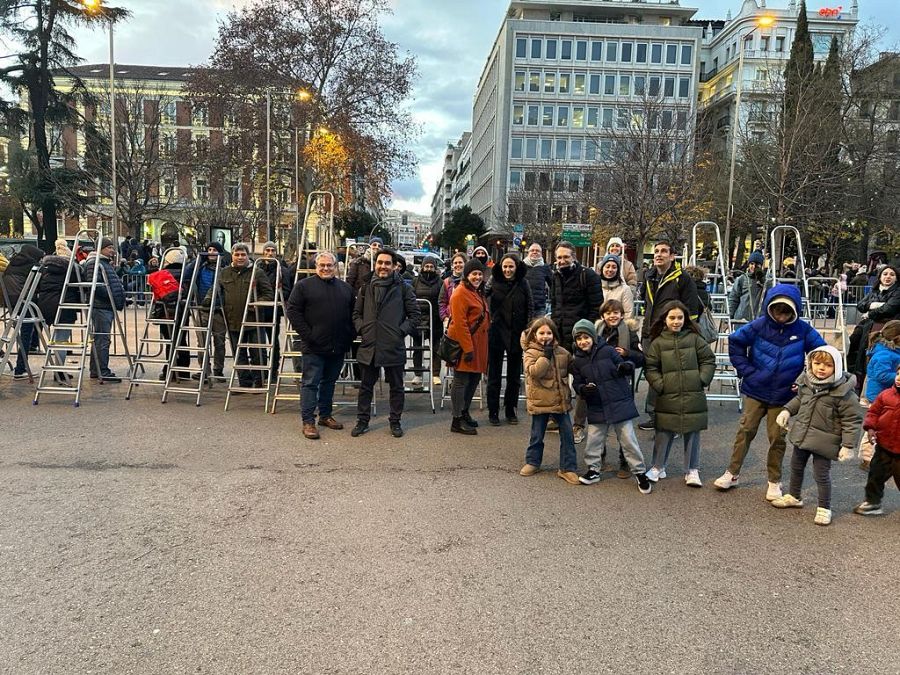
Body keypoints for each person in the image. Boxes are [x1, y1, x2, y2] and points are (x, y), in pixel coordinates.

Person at [714, 284, 827, 500]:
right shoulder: (759, 325)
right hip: (756, 388)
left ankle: (774, 481)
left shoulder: (803, 330)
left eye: (786, 312)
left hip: (784, 394)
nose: (781, 316)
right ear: (770, 307)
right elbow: (735, 342)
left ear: (795, 310)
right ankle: (732, 472)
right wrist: (747, 371)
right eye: (777, 311)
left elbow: (822, 353)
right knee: (745, 430)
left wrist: (805, 380)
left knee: (777, 437)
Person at [772, 346, 862, 526]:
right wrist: (787, 411)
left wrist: (848, 445)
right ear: (810, 363)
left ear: (836, 367)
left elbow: (852, 420)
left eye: (828, 365)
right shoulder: (807, 383)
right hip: (802, 436)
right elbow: (799, 400)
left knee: (821, 475)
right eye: (817, 363)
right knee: (796, 467)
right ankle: (794, 496)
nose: (821, 368)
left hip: (825, 442)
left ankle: (824, 507)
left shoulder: (843, 393)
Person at [570, 319, 652, 494]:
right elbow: (576, 383)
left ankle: (639, 472)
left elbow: (626, 364)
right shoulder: (577, 361)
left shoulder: (608, 350)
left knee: (628, 440)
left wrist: (625, 367)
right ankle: (593, 470)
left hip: (618, 401)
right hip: (597, 404)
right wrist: (582, 389)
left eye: (586, 337)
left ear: (593, 336)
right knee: (594, 441)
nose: (583, 341)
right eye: (579, 339)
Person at [644, 300, 717, 487]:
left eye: (680, 317)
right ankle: (658, 466)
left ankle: (692, 470)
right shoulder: (658, 343)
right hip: (667, 394)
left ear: (685, 319)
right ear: (665, 319)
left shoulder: (694, 339)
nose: (676, 321)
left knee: (692, 431)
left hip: (693, 392)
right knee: (664, 431)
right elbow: (651, 368)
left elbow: (708, 359)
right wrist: (661, 385)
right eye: (672, 318)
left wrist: (701, 380)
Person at [285, 251, 356, 440]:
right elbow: (293, 311)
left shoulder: (345, 288)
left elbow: (353, 314)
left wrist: (349, 336)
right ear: (316, 267)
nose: (326, 268)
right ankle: (308, 421)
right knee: (310, 384)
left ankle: (325, 415)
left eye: (329, 265)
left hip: (338, 345)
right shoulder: (303, 286)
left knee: (329, 382)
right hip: (313, 346)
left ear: (335, 267)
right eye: (322, 265)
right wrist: (308, 335)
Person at [351, 248, 420, 438]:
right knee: (366, 387)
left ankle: (395, 421)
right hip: (370, 345)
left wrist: (399, 331)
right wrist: (363, 329)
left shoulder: (404, 288)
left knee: (396, 387)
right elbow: (356, 314)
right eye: (380, 262)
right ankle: (362, 421)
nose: (383, 266)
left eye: (387, 263)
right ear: (375, 264)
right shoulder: (365, 287)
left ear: (394, 266)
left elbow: (415, 316)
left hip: (392, 345)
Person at [637, 240, 700, 430]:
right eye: (656, 251)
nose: (659, 254)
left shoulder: (683, 278)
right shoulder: (649, 276)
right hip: (650, 335)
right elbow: (647, 306)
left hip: (671, 336)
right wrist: (644, 332)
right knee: (653, 375)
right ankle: (654, 415)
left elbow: (691, 312)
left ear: (672, 256)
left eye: (664, 251)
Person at [549, 241, 603, 443]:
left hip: (581, 338)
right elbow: (555, 305)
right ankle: (558, 417)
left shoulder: (588, 276)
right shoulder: (555, 276)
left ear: (574, 257)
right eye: (559, 257)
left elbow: (596, 307)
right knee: (559, 379)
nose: (562, 260)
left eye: (566, 257)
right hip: (560, 337)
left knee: (583, 383)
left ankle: (578, 425)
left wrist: (585, 333)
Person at [204, 243, 274, 389]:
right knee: (238, 353)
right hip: (233, 320)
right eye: (237, 255)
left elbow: (269, 294)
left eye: (243, 255)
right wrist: (208, 299)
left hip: (254, 321)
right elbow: (215, 288)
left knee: (257, 352)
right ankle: (244, 383)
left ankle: (259, 381)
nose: (240, 257)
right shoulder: (224, 272)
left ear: (248, 256)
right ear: (232, 256)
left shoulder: (257, 272)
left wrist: (257, 303)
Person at [519, 317, 579, 484]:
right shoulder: (530, 352)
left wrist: (580, 354)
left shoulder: (562, 352)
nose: (545, 336)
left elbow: (574, 367)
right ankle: (533, 462)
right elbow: (534, 372)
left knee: (567, 434)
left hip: (560, 401)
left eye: (549, 333)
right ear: (534, 335)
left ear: (554, 334)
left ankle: (567, 468)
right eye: (541, 333)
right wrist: (545, 356)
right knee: (537, 435)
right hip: (540, 401)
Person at [595, 298, 644, 478]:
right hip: (601, 383)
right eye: (608, 313)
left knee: (624, 428)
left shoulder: (630, 333)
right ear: (602, 316)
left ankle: (625, 463)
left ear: (622, 315)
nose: (612, 316)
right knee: (600, 424)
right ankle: (599, 458)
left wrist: (627, 353)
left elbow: (641, 358)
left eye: (616, 312)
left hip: (622, 384)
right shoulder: (596, 333)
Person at [485, 253, 533, 426]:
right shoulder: (493, 281)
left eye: (511, 266)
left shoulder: (523, 283)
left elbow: (530, 306)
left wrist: (527, 329)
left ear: (516, 267)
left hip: (516, 332)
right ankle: (493, 410)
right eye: (505, 266)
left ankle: (510, 409)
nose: (507, 270)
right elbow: (482, 298)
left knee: (514, 376)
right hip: (496, 331)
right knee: (494, 375)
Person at [447, 259, 490, 434]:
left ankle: (464, 412)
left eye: (480, 274)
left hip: (478, 344)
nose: (477, 277)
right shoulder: (460, 293)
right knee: (461, 381)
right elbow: (460, 324)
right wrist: (468, 348)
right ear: (467, 275)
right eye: (474, 274)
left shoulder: (475, 291)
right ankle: (456, 420)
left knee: (473, 379)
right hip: (465, 344)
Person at [854, 363, 900, 516]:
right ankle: (873, 502)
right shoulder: (885, 395)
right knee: (875, 474)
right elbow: (873, 413)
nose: (899, 378)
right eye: (898, 373)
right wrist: (870, 428)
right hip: (884, 446)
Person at [82, 238, 126, 383]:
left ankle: (97, 370)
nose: (112, 250)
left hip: (105, 305)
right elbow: (93, 284)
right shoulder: (94, 263)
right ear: (100, 248)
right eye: (109, 247)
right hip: (101, 306)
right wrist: (111, 295)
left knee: (100, 339)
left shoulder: (104, 263)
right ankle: (102, 370)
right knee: (102, 339)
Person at [184, 242, 228, 379]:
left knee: (219, 342)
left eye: (214, 250)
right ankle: (204, 369)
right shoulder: (201, 267)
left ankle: (218, 369)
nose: (211, 252)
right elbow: (186, 274)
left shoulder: (224, 268)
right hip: (202, 308)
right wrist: (198, 259)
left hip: (218, 309)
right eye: (209, 249)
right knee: (202, 342)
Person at [849, 265, 900, 381]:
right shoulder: (874, 291)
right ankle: (857, 376)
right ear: (880, 277)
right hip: (868, 325)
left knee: (878, 352)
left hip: (888, 327)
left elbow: (889, 309)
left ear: (896, 278)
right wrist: (874, 305)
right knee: (855, 345)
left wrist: (869, 314)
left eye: (892, 275)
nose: (888, 277)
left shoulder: (898, 292)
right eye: (885, 274)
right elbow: (860, 305)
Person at [4, 244, 45, 380]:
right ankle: (20, 368)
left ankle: (22, 366)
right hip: (27, 302)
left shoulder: (11, 265)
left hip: (11, 302)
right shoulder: (32, 266)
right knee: (26, 334)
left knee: (21, 333)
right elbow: (40, 285)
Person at [259, 241, 292, 378]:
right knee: (259, 341)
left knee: (273, 341)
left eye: (272, 251)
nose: (270, 253)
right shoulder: (257, 268)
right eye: (267, 250)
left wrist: (273, 299)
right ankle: (261, 370)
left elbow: (286, 290)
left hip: (273, 311)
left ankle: (273, 370)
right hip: (258, 309)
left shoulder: (282, 270)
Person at [156, 249, 190, 382]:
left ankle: (169, 369)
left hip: (165, 312)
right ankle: (183, 370)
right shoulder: (186, 274)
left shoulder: (162, 274)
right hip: (182, 310)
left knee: (169, 340)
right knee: (182, 339)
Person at [411, 256, 443, 387]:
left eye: (431, 266)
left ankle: (435, 374)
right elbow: (411, 298)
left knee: (436, 348)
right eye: (427, 266)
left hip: (434, 319)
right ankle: (418, 374)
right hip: (419, 319)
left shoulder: (440, 282)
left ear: (435, 268)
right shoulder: (415, 281)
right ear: (422, 267)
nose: (429, 269)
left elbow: (442, 299)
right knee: (417, 348)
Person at [728, 250, 767, 323]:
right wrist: (729, 318)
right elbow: (733, 299)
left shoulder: (767, 281)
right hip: (742, 320)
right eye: (752, 263)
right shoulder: (742, 279)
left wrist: (763, 282)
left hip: (759, 321)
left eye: (757, 264)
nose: (754, 266)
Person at [597, 253, 634, 320]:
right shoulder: (595, 287)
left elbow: (628, 313)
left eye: (614, 267)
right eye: (607, 266)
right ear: (602, 268)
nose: (610, 270)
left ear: (618, 270)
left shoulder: (625, 289)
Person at [522, 243, 551, 316]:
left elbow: (553, 285)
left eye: (537, 251)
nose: (535, 252)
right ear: (528, 253)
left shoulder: (545, 267)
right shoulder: (521, 266)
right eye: (532, 250)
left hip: (539, 308)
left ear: (541, 253)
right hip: (522, 307)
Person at [438, 253, 466, 325]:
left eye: (460, 262)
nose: (458, 265)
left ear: (465, 264)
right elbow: (442, 302)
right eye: (455, 263)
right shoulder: (447, 282)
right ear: (452, 266)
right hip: (450, 320)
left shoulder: (469, 281)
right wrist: (444, 317)